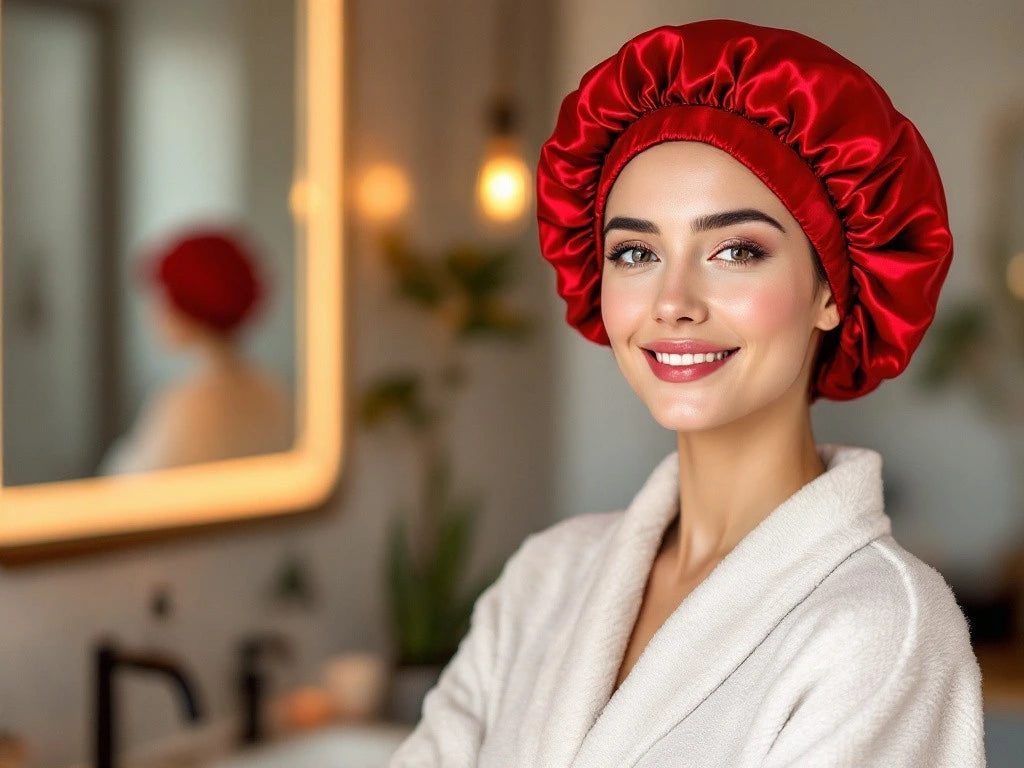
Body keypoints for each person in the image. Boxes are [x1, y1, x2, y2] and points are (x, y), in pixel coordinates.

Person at [388, 19, 985, 767]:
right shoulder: (546, 578)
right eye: (635, 252)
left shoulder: (879, 629)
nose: (672, 301)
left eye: (736, 250)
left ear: (832, 293)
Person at [99, 228, 292, 475]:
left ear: (187, 302)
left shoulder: (190, 407)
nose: (154, 312)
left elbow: (133, 491)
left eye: (163, 296)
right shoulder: (272, 391)